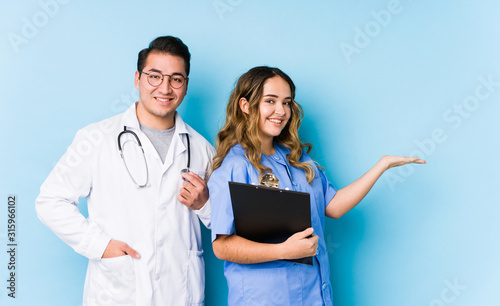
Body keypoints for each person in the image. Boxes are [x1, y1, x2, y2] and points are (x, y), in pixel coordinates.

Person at [208, 66, 426, 305]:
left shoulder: (297, 159)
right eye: (270, 101)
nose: (281, 111)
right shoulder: (235, 166)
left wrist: (381, 166)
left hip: (312, 293)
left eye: (287, 102)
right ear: (246, 106)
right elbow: (223, 247)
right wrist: (283, 251)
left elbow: (333, 206)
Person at [36, 36, 214, 305]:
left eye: (176, 79)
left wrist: (205, 204)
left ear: (185, 85)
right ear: (137, 79)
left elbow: (225, 222)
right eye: (155, 76)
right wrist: (101, 246)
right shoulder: (95, 138)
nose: (165, 88)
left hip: (181, 292)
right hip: (118, 291)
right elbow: (50, 201)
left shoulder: (201, 148)